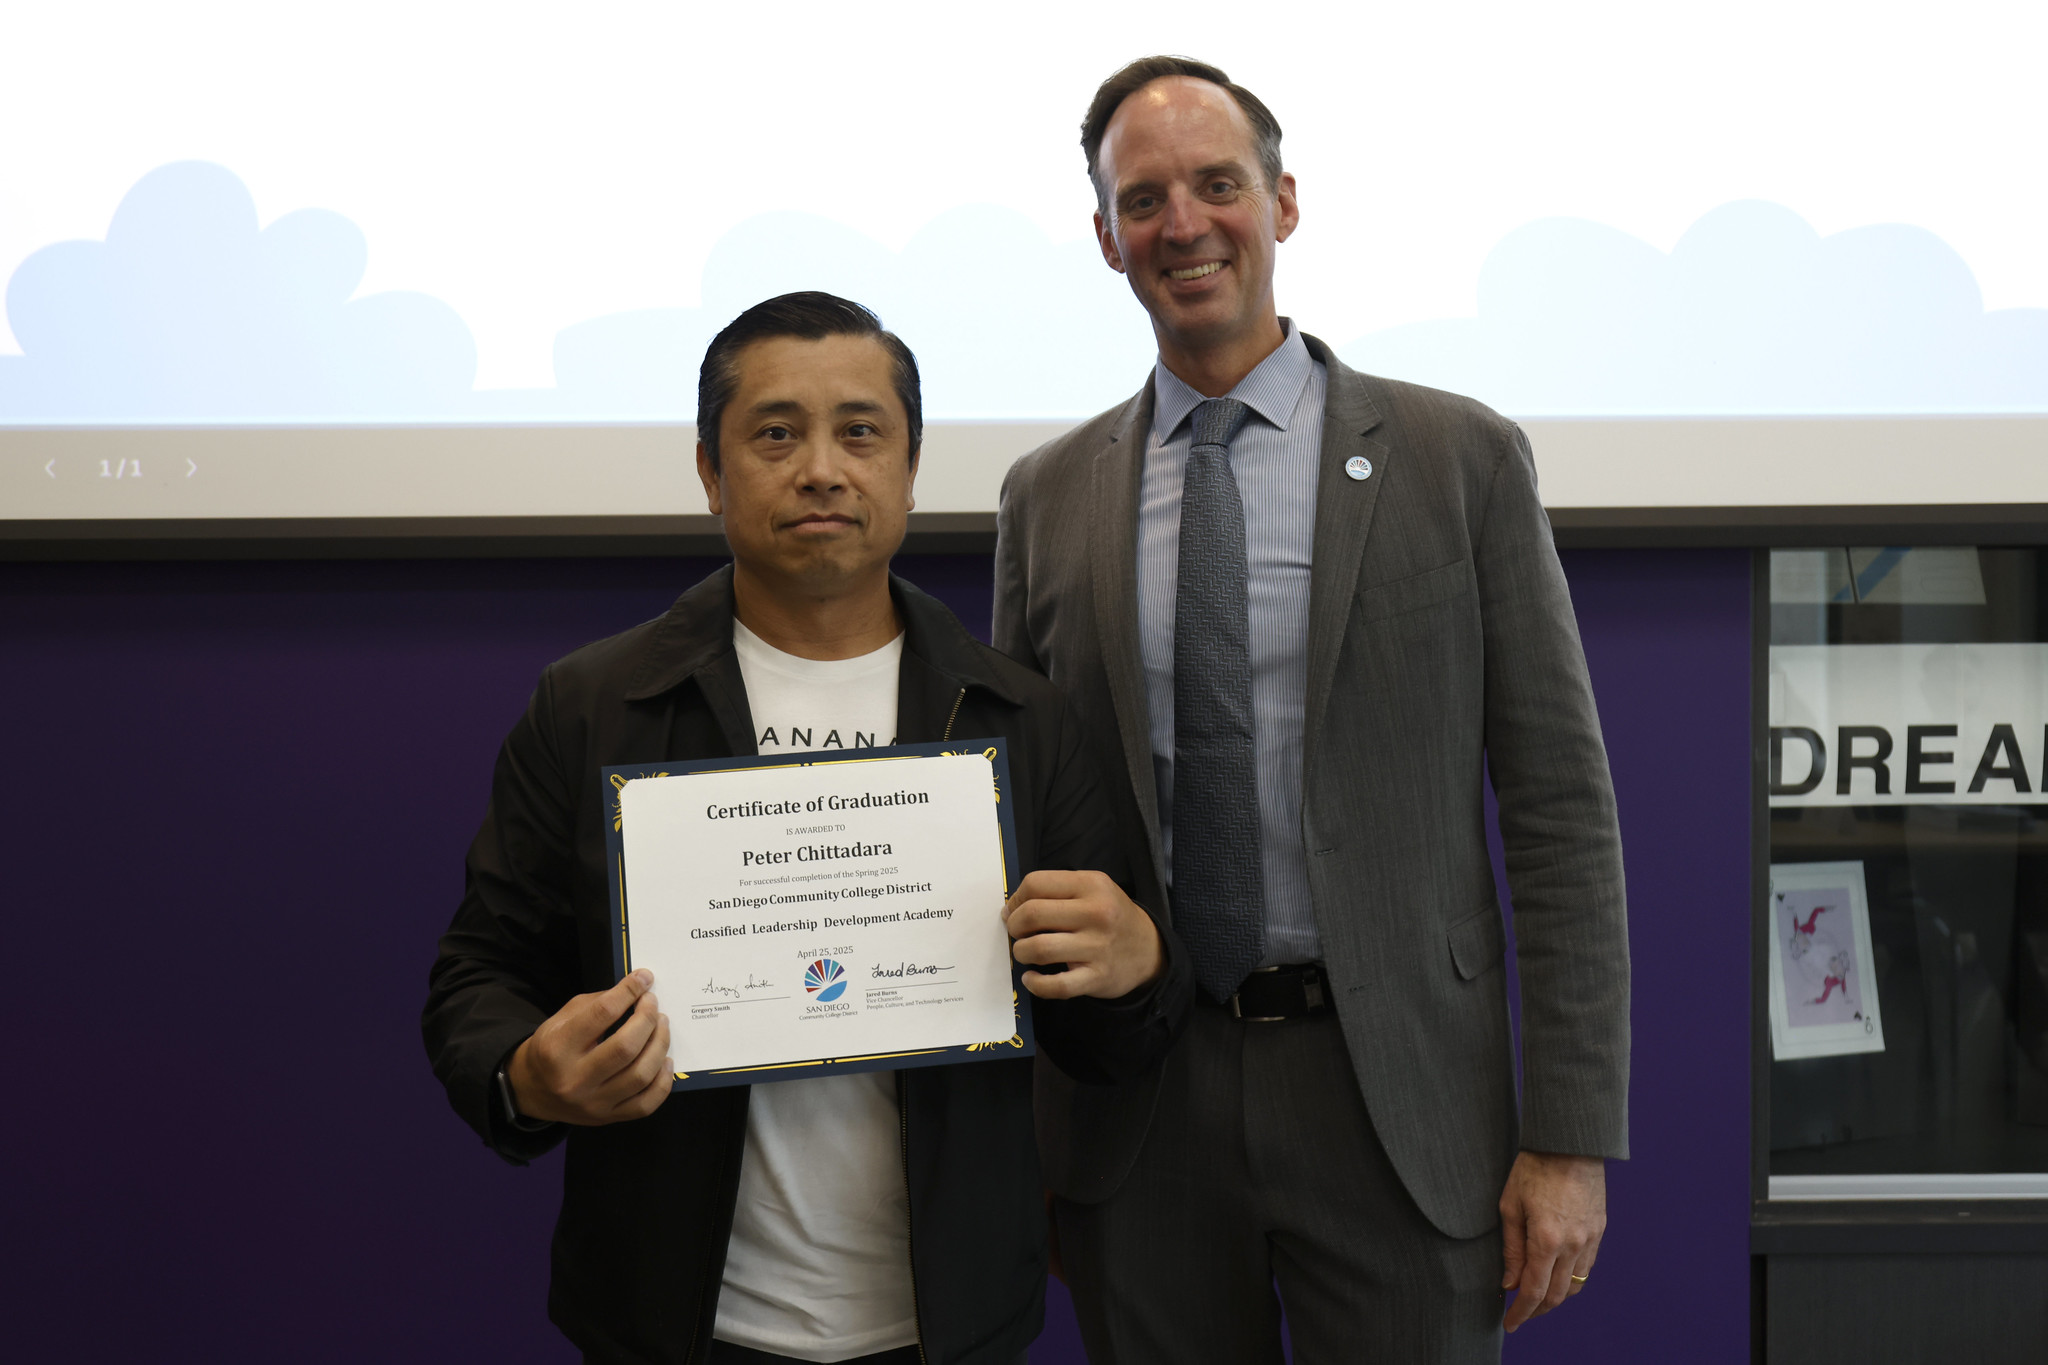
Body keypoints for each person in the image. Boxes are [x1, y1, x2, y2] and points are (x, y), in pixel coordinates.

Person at [994, 57, 1630, 1362]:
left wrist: (1568, 1137)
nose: (1185, 224)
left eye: (1218, 185)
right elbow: (1023, 831)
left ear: (1283, 204)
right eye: (1145, 197)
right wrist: (1030, 1133)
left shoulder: (1461, 460)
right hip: (1140, 1107)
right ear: (1107, 237)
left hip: (1397, 1100)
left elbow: (1562, 813)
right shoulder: (1044, 496)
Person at [425, 291, 1191, 1365]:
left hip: (948, 1323)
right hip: (681, 1322)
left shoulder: (1020, 717)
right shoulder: (593, 705)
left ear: (910, 469)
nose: (822, 468)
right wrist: (525, 1073)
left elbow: (1106, 1046)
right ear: (709, 471)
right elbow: (477, 975)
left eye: (860, 432)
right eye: (775, 434)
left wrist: (1136, 966)